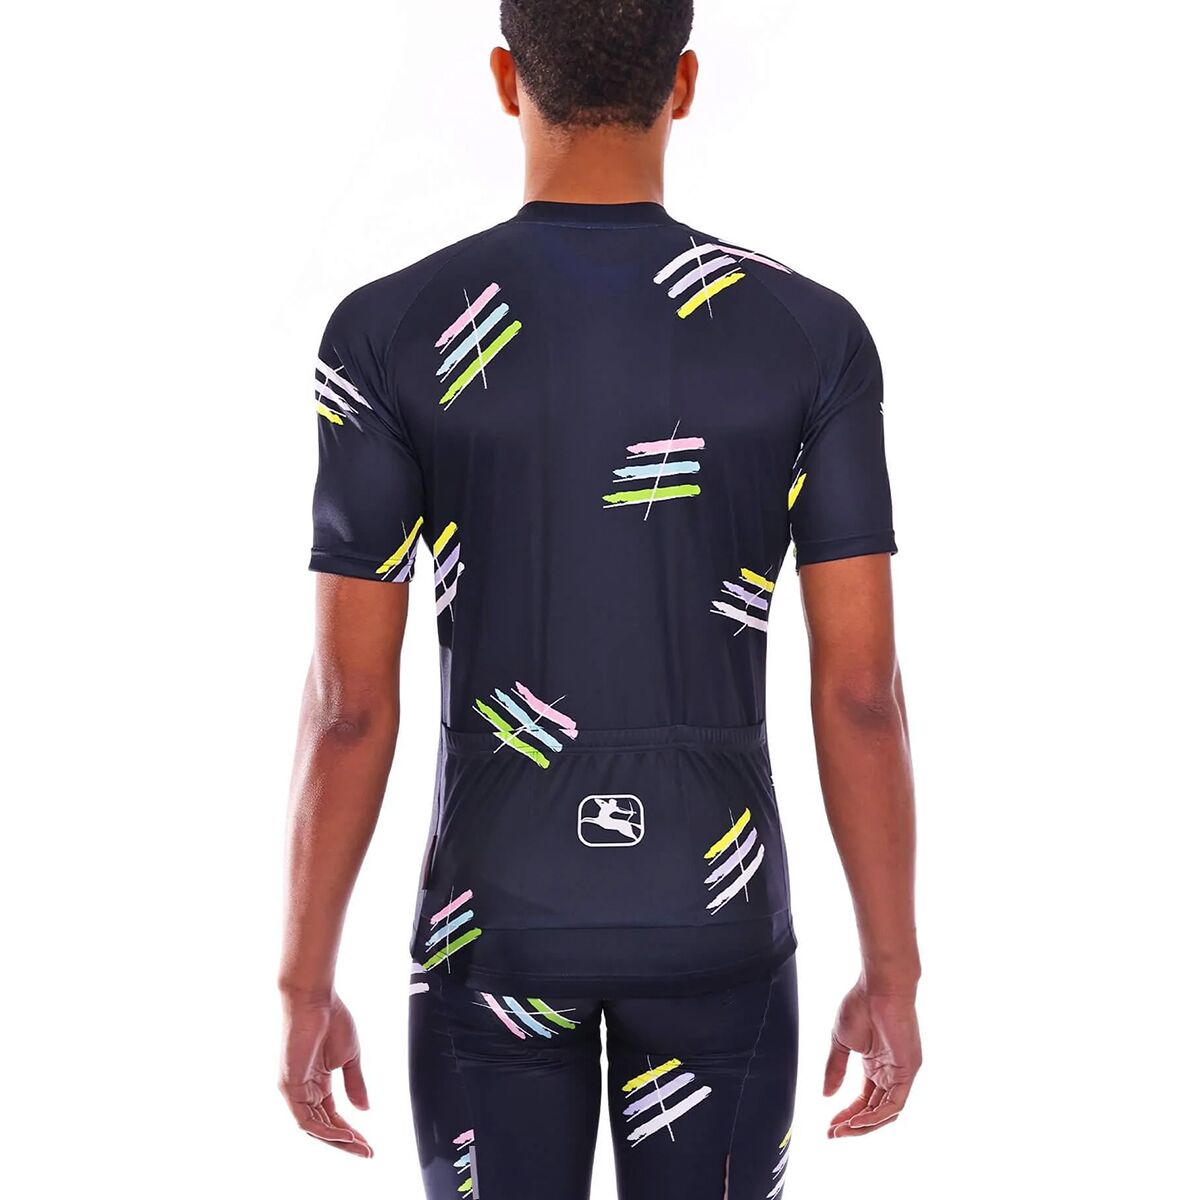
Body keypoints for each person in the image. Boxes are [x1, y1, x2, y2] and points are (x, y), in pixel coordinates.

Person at [278, 2, 922, 1194]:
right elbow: (861, 692)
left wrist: (303, 983)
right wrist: (894, 971)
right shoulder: (810, 337)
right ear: (684, 83)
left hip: (494, 919)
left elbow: (349, 706)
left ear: (504, 78)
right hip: (713, 917)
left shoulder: (389, 332)